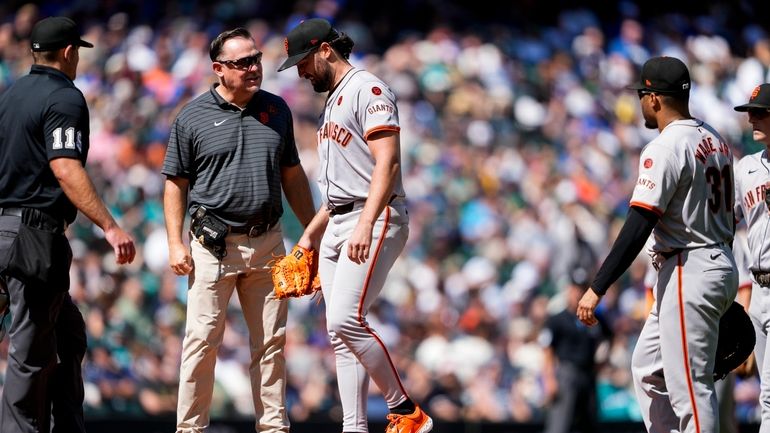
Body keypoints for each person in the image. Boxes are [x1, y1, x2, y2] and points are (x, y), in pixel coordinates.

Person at [277, 18, 433, 433]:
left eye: (304, 61)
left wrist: (365, 224)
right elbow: (337, 190)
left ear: (326, 50)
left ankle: (405, 411)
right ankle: (354, 426)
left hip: (374, 214)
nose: (300, 71)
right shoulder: (332, 99)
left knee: (345, 318)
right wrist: (309, 236)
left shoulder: (369, 88)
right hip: (339, 218)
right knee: (338, 333)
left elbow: (389, 162)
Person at [162, 27, 316, 433]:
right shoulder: (192, 116)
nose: (253, 68)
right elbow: (174, 183)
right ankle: (190, 429)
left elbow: (293, 175)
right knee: (201, 342)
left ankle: (274, 428)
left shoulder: (276, 109)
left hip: (268, 242)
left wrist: (313, 230)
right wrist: (175, 243)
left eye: (256, 59)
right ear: (218, 69)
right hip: (212, 245)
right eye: (242, 62)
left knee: (271, 344)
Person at [576, 56, 738, 433]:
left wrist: (597, 287)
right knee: (648, 368)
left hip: (690, 266)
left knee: (691, 390)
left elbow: (639, 222)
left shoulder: (666, 146)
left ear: (653, 99)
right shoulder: (715, 139)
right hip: (713, 259)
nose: (640, 103)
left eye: (641, 95)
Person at [0, 16, 136, 433]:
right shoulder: (64, 97)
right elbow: (64, 167)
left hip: (2, 229)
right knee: (31, 351)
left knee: (69, 334)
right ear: (68, 52)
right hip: (32, 236)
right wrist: (110, 227)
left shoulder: (11, 95)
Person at [733, 83, 770, 433]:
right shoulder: (746, 168)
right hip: (758, 289)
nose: (752, 119)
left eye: (760, 112)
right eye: (750, 112)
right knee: (765, 394)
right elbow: (726, 222)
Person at [540, 273, 611, 433]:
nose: (577, 293)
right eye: (574, 289)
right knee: (560, 425)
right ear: (568, 290)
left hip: (589, 373)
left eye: (581, 289)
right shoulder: (557, 319)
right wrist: (549, 379)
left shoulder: (596, 317)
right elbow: (547, 350)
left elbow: (609, 337)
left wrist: (602, 362)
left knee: (589, 424)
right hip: (567, 374)